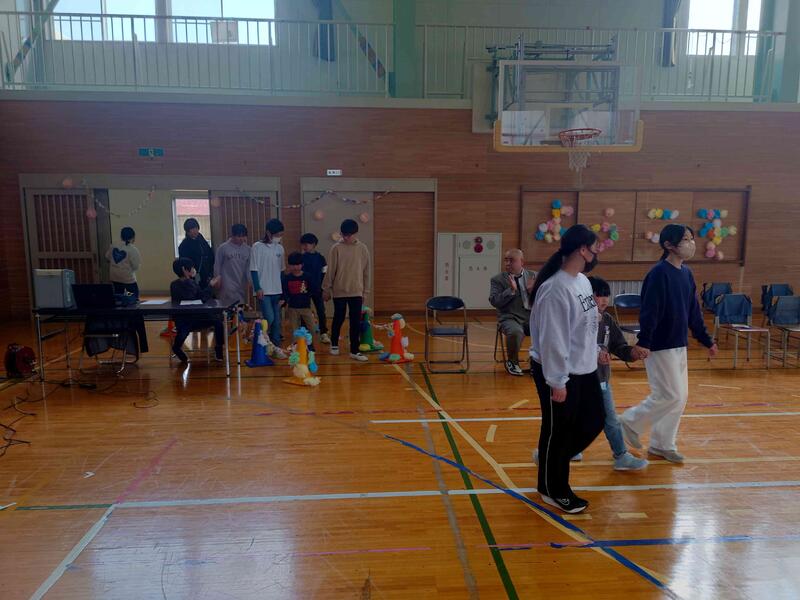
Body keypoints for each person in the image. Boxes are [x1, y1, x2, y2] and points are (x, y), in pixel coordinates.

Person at [620, 224, 718, 463]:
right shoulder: (658, 274)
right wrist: (644, 341)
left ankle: (662, 444)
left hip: (678, 344)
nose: (691, 243)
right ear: (668, 245)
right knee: (670, 394)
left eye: (691, 238)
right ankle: (628, 422)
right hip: (659, 344)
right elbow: (650, 311)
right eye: (685, 239)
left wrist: (706, 339)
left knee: (680, 397)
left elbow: (693, 311)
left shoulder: (686, 274)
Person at [529, 224, 604, 514]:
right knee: (558, 430)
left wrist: (595, 352)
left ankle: (550, 463)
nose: (597, 253)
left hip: (584, 368)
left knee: (594, 420)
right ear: (583, 250)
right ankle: (554, 489)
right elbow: (553, 339)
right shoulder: (555, 290)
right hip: (559, 372)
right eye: (594, 248)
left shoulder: (582, 281)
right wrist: (557, 381)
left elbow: (586, 326)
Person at [588, 276, 649, 471]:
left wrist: (633, 353)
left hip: (601, 380)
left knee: (611, 419)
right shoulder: (578, 320)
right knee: (572, 419)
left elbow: (619, 347)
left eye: (606, 296)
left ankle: (621, 455)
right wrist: (594, 354)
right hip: (579, 381)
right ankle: (558, 451)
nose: (604, 300)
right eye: (599, 295)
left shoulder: (607, 320)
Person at [323, 219, 370, 362]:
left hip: (356, 291)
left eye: (349, 235)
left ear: (355, 234)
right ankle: (334, 343)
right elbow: (330, 270)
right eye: (344, 235)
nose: (346, 237)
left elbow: (366, 272)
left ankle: (355, 350)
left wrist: (366, 291)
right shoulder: (336, 248)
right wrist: (326, 288)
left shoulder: (362, 248)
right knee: (339, 317)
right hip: (339, 291)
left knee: (355, 321)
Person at [489, 248, 536, 376]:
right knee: (516, 332)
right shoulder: (497, 280)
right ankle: (513, 362)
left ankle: (537, 362)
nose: (508, 263)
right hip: (510, 317)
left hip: (531, 317)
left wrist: (533, 292)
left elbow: (547, 299)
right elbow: (494, 301)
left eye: (512, 260)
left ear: (522, 262)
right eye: (506, 260)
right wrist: (511, 291)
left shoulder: (534, 276)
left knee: (548, 329)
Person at [169, 257, 224, 364]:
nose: (194, 269)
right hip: (190, 318)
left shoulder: (178, 284)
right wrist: (210, 286)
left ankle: (218, 348)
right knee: (216, 322)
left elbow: (200, 296)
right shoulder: (187, 284)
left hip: (188, 318)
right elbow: (202, 298)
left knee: (217, 322)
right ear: (185, 269)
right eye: (192, 267)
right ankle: (218, 349)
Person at [250, 218, 287, 354]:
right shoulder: (257, 247)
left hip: (277, 289)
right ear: (268, 233)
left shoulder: (280, 248)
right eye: (277, 235)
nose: (279, 237)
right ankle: (262, 341)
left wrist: (283, 293)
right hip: (264, 290)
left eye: (281, 235)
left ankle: (276, 346)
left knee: (277, 321)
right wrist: (257, 288)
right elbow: (253, 269)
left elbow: (282, 271)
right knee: (269, 318)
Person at [282, 252, 320, 350]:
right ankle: (296, 346)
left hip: (306, 307)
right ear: (289, 265)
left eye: (298, 264)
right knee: (294, 329)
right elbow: (285, 292)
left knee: (312, 327)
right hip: (292, 308)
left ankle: (309, 344)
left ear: (302, 265)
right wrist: (284, 301)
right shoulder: (287, 278)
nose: (296, 267)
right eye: (293, 265)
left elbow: (313, 289)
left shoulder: (307, 277)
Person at [300, 233, 330, 344]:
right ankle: (304, 333)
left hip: (318, 289)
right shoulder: (301, 258)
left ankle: (323, 333)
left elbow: (325, 274)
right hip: (305, 289)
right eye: (303, 244)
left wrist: (325, 288)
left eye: (306, 244)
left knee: (321, 311)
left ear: (313, 244)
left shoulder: (321, 258)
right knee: (304, 311)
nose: (304, 246)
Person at [214, 224, 251, 307]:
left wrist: (250, 281)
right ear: (232, 235)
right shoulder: (223, 248)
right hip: (226, 284)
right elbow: (217, 265)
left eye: (243, 236)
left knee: (240, 308)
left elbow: (249, 268)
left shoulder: (248, 249)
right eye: (239, 236)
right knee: (226, 308)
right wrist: (217, 279)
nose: (241, 239)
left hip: (241, 284)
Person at [178, 218, 215, 288]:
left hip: (206, 273)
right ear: (187, 231)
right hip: (193, 275)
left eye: (196, 228)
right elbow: (184, 262)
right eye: (192, 229)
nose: (195, 231)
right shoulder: (184, 245)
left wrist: (211, 270)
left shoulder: (201, 239)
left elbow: (210, 254)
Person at [105, 226, 141, 298]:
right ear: (133, 237)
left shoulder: (113, 245)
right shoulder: (133, 250)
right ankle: (128, 298)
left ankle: (121, 301)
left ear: (121, 236)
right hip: (128, 279)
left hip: (114, 277)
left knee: (119, 294)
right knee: (133, 295)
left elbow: (107, 257)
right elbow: (135, 266)